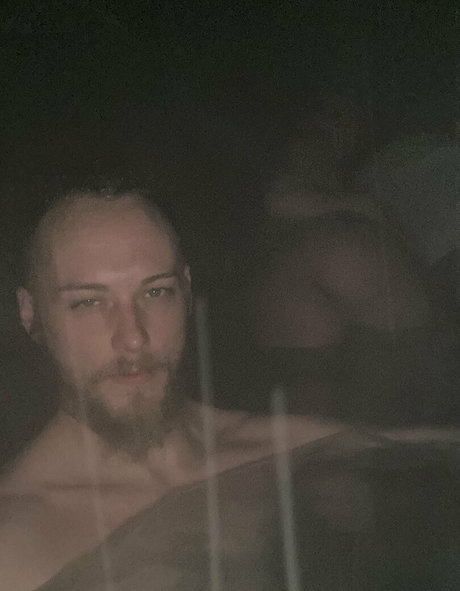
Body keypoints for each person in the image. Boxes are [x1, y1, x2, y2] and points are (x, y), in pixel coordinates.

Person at [0, 180, 458, 591]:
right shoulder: (15, 546)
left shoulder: (286, 450)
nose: (133, 336)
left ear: (186, 291)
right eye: (88, 303)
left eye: (155, 292)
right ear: (30, 313)